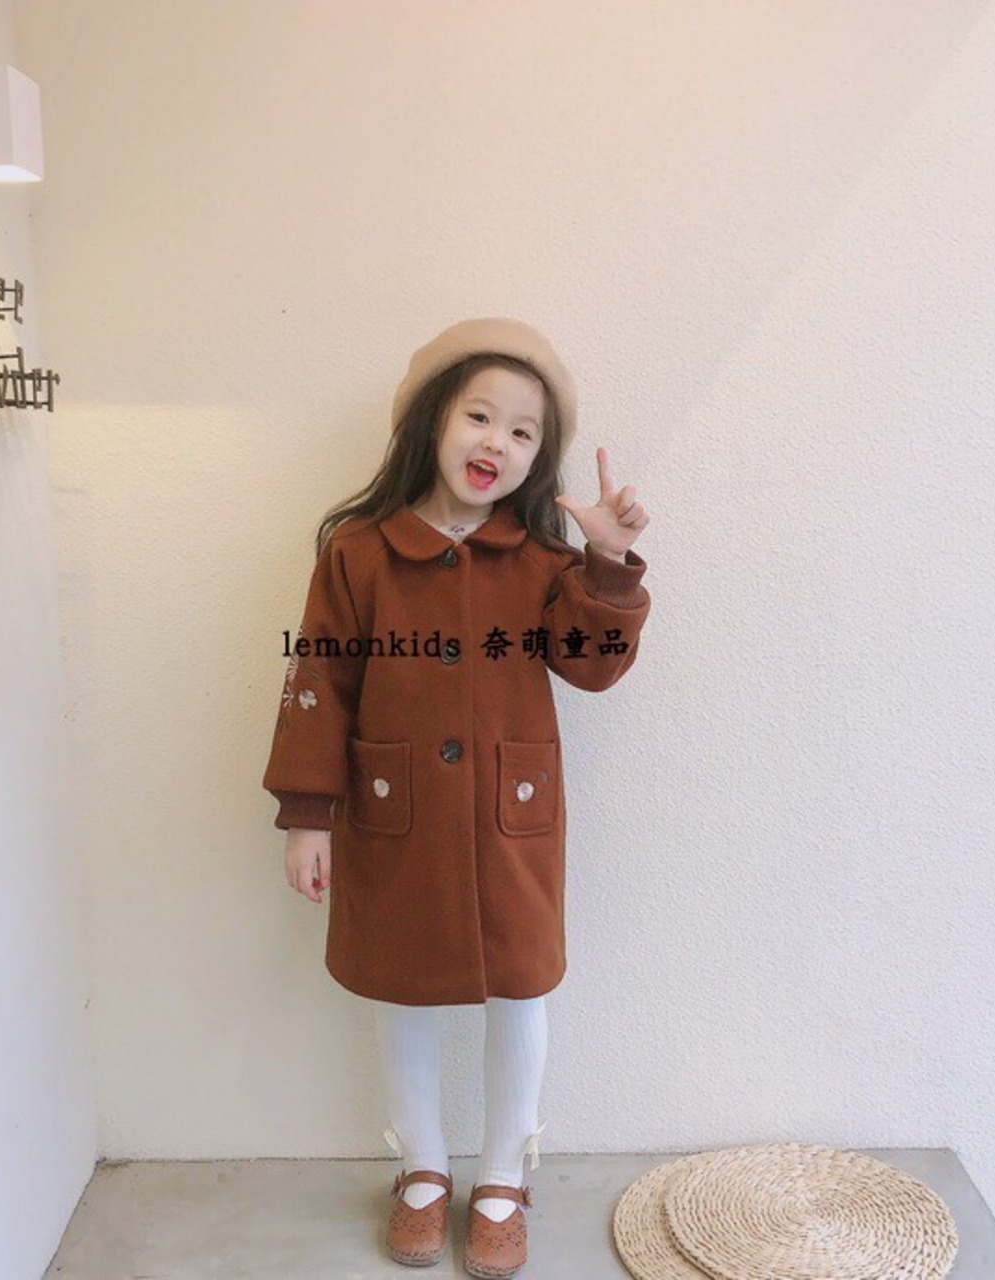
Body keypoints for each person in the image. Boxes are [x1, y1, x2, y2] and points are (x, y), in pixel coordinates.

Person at [262, 317, 651, 1277]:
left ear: (538, 457)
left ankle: (505, 1173)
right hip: (393, 814)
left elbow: (591, 667)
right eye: (479, 416)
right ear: (434, 420)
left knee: (521, 990)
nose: (496, 443)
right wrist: (308, 816)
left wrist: (604, 565)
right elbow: (320, 682)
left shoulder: (544, 563)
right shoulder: (358, 553)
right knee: (400, 991)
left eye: (522, 432)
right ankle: (423, 1171)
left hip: (510, 819)